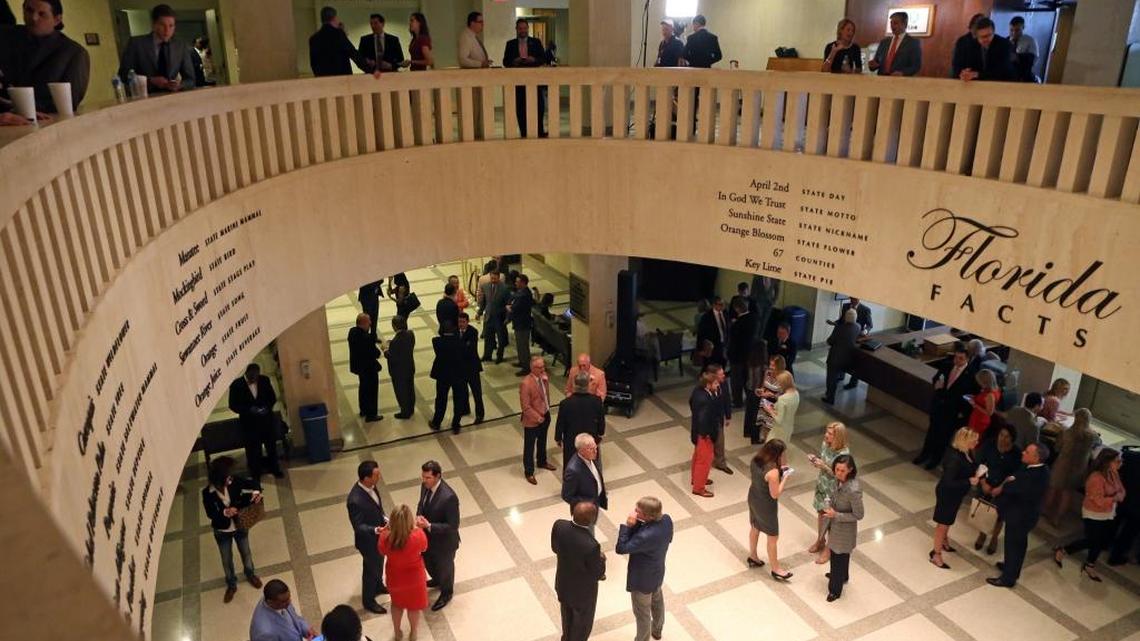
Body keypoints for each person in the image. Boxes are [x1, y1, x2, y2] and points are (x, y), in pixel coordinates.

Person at [0, 0, 89, 115]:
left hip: (45, 123)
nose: (33, 18)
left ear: (57, 20)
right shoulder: (5, 37)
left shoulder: (74, 53)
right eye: (29, 10)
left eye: (42, 14)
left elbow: (69, 103)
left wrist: (21, 106)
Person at [987, 443, 1050, 588]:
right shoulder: (1033, 468)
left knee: (1013, 545)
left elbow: (1017, 487)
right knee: (1018, 545)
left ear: (1036, 458)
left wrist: (1004, 486)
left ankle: (1008, 578)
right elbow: (1014, 477)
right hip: (1020, 514)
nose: (1023, 453)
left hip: (1021, 516)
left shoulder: (1037, 475)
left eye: (1027, 452)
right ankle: (1012, 568)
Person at [202, 456, 262, 603]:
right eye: (227, 478)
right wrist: (224, 513)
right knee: (226, 559)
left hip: (240, 525)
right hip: (222, 531)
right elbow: (210, 514)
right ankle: (231, 584)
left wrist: (256, 492)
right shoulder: (207, 493)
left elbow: (253, 482)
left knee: (246, 552)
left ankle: (250, 574)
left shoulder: (234, 481)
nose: (230, 480)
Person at [615, 496, 673, 641]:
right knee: (657, 601)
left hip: (642, 579)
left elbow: (621, 548)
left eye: (637, 511)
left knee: (642, 614)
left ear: (648, 516)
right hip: (657, 571)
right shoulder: (666, 520)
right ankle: (657, 629)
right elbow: (669, 538)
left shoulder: (645, 536)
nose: (634, 512)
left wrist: (628, 526)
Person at [913, 343, 975, 469]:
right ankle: (924, 454)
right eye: (956, 357)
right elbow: (936, 378)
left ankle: (935, 459)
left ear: (967, 359)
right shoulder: (947, 366)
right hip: (938, 406)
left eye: (961, 358)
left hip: (952, 412)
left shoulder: (970, 376)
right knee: (931, 433)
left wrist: (961, 414)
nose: (957, 360)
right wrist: (937, 383)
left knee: (943, 438)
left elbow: (968, 397)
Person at [551, 503, 606, 641]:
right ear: (592, 520)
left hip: (563, 585)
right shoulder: (591, 545)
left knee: (567, 618)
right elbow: (597, 573)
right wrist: (602, 559)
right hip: (583, 594)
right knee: (582, 626)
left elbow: (555, 547)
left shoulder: (559, 525)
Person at [930, 428, 979, 570]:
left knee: (949, 519)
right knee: (943, 524)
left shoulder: (967, 452)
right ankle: (936, 553)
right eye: (974, 440)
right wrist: (969, 481)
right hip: (948, 494)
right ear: (965, 441)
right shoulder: (954, 458)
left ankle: (944, 541)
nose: (977, 442)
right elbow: (948, 482)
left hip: (957, 494)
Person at [118, 4, 195, 93]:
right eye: (162, 25)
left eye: (171, 26)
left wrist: (180, 85)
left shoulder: (180, 46)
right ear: (154, 24)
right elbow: (123, 75)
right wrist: (149, 80)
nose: (167, 30)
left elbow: (190, 80)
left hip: (172, 97)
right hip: (144, 98)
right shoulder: (136, 44)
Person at [415, 460, 460, 611]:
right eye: (423, 477)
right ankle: (437, 579)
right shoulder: (425, 486)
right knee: (430, 563)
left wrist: (429, 526)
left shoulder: (449, 497)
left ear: (438, 476)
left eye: (428, 478)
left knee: (445, 568)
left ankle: (446, 592)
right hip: (428, 539)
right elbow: (421, 503)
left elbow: (453, 525)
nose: (424, 480)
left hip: (444, 543)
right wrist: (419, 515)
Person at [379, 504, 428, 641]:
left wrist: (387, 529)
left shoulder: (385, 537)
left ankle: (397, 631)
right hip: (414, 579)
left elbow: (382, 551)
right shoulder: (418, 535)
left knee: (396, 604)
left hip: (395, 578)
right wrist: (417, 527)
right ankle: (413, 633)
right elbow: (424, 548)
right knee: (414, 607)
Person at [747, 439, 794, 580]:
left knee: (755, 527)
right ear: (777, 454)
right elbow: (775, 494)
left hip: (753, 496)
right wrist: (785, 477)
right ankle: (776, 569)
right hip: (766, 505)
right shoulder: (773, 472)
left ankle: (753, 556)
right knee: (773, 537)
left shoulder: (756, 460)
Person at [347, 460, 388, 614]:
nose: (379, 477)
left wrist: (384, 519)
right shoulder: (355, 500)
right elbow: (359, 527)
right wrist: (376, 529)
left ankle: (379, 585)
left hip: (379, 537)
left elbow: (377, 508)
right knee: (370, 570)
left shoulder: (372, 486)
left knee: (379, 564)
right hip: (368, 542)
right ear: (366, 478)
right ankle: (369, 600)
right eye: (376, 475)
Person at [1045, 408, 1099, 523]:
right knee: (1067, 493)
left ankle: (1045, 511)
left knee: (1053, 489)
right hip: (1079, 469)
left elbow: (1057, 448)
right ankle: (1057, 518)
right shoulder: (1092, 436)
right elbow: (1097, 445)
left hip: (1062, 465)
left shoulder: (1066, 432)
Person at [227, 364, 282, 478]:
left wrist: (266, 408)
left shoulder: (264, 380)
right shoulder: (236, 385)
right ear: (247, 373)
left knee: (271, 446)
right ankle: (255, 472)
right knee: (253, 450)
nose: (254, 379)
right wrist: (249, 410)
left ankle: (275, 468)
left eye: (256, 376)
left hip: (266, 421)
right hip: (249, 424)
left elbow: (272, 398)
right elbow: (233, 405)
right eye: (252, 376)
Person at [975, 425, 1022, 555]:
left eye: (1006, 437)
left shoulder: (1017, 453)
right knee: (984, 511)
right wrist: (983, 482)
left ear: (1012, 439)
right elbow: (981, 463)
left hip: (1003, 488)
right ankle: (982, 534)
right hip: (987, 484)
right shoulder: (989, 445)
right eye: (1001, 435)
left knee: (999, 515)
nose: (1002, 439)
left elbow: (1014, 475)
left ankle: (994, 539)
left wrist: (1001, 487)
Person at [808, 422, 850, 563]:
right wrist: (817, 462)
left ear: (838, 436)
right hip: (822, 485)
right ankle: (820, 540)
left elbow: (841, 475)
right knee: (821, 514)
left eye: (830, 434)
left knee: (831, 519)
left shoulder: (844, 454)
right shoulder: (825, 445)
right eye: (826, 432)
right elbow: (823, 461)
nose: (826, 435)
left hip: (835, 489)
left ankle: (828, 549)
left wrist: (824, 466)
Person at [824, 454, 863, 601]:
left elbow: (859, 515)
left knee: (837, 556)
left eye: (842, 470)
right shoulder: (839, 480)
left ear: (850, 470)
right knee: (842, 555)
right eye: (837, 469)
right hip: (836, 526)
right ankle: (842, 576)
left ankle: (835, 589)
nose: (838, 473)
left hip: (844, 530)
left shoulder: (853, 490)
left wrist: (837, 515)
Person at [503, 18, 547, 137]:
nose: (523, 30)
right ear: (517, 29)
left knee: (538, 107)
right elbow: (505, 62)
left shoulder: (536, 42)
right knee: (521, 108)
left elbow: (543, 58)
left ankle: (539, 131)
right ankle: (524, 132)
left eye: (524, 28)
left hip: (534, 80)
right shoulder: (510, 44)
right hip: (518, 82)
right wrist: (514, 61)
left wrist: (534, 60)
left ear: (528, 28)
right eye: (520, 28)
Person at [555, 372, 606, 469]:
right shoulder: (596, 401)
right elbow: (601, 421)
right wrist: (600, 434)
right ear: (587, 385)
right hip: (590, 439)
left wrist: (558, 438)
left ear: (574, 385)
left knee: (571, 464)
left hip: (571, 441)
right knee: (591, 464)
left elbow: (560, 423)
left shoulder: (565, 404)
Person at [520, 356, 557, 484]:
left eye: (543, 366)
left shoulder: (544, 377)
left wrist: (546, 412)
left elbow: (544, 396)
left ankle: (542, 461)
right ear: (532, 368)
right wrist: (537, 417)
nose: (543, 369)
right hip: (533, 420)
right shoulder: (526, 384)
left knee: (542, 440)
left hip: (545, 415)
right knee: (529, 446)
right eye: (539, 367)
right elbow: (526, 407)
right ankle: (529, 471)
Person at [429, 320, 467, 433]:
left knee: (441, 399)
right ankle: (456, 424)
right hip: (457, 374)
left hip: (443, 375)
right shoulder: (460, 342)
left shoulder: (437, 342)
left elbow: (436, 340)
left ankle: (437, 422)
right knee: (458, 399)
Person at [308, 6, 366, 77]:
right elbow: (353, 54)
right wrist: (369, 69)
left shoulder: (313, 39)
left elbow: (313, 64)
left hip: (323, 81)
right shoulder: (339, 34)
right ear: (334, 18)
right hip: (342, 79)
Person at [249, 580, 316, 641]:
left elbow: (294, 618)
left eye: (289, 597)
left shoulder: (279, 599)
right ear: (270, 602)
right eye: (284, 601)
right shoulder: (264, 633)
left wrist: (306, 629)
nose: (289, 602)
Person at [689, 369, 720, 498]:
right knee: (704, 461)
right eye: (716, 383)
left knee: (697, 457)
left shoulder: (697, 391)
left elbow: (691, 403)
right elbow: (704, 418)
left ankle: (696, 479)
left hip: (696, 431)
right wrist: (706, 434)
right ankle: (699, 488)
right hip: (704, 435)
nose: (718, 385)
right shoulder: (706, 400)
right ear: (708, 384)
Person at [563, 433, 608, 519]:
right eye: (591, 449)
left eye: (596, 447)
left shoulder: (591, 457)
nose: (596, 451)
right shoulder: (573, 470)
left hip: (595, 503)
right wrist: (586, 505)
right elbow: (567, 495)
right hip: (583, 512)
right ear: (581, 450)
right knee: (584, 531)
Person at [348, 313, 383, 423]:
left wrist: (372, 339)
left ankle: (363, 409)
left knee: (363, 388)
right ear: (363, 323)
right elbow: (376, 353)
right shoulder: (366, 339)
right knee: (371, 391)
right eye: (369, 322)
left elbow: (363, 341)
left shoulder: (352, 332)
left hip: (359, 367)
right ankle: (371, 414)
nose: (371, 323)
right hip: (369, 368)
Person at [957, 18, 1015, 82]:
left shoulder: (1004, 44)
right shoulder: (972, 45)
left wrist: (977, 74)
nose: (986, 39)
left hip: (1003, 83)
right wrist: (966, 73)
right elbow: (969, 66)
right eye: (982, 37)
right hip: (979, 84)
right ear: (976, 36)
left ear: (994, 32)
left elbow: (1002, 70)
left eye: (989, 35)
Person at [822, 308, 859, 404]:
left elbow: (830, 341)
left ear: (846, 318)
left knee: (831, 378)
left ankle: (830, 398)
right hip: (849, 359)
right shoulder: (858, 327)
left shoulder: (839, 328)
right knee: (836, 376)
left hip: (835, 358)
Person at [868, 11, 922, 76]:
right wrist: (873, 65)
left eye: (895, 23)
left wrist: (903, 73)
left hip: (900, 82)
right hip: (881, 80)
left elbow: (916, 66)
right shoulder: (884, 42)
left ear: (905, 24)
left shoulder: (913, 43)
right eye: (891, 23)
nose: (892, 26)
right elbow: (876, 63)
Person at [384, 315, 416, 419]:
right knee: (410, 388)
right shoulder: (410, 334)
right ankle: (411, 408)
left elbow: (392, 357)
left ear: (394, 326)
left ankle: (405, 412)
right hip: (409, 367)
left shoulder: (395, 342)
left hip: (398, 371)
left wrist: (385, 350)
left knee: (401, 391)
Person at [727, 298, 757, 408]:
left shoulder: (737, 325)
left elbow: (733, 343)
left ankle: (737, 401)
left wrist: (729, 355)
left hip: (737, 357)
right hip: (749, 355)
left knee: (736, 380)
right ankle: (749, 399)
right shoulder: (754, 319)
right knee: (747, 379)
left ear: (737, 309)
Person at [457, 313, 484, 424]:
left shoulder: (473, 332)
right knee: (463, 390)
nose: (461, 324)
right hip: (461, 368)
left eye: (463, 322)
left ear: (467, 322)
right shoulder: (456, 332)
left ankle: (480, 414)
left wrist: (459, 348)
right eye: (459, 322)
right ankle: (465, 409)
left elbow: (470, 349)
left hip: (472, 368)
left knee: (476, 392)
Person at [477, 270, 510, 363]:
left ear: (499, 277)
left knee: (501, 339)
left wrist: (508, 318)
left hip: (500, 318)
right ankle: (487, 355)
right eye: (492, 278)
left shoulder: (505, 288)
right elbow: (484, 302)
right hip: (488, 317)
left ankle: (500, 356)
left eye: (495, 278)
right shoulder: (485, 286)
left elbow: (508, 304)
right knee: (488, 337)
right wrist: (479, 312)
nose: (493, 280)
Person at [741, 341, 770, 444]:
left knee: (749, 412)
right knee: (757, 415)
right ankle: (755, 437)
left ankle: (747, 431)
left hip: (749, 389)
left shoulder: (750, 361)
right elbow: (764, 381)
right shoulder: (763, 365)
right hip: (758, 391)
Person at [508, 274, 535, 375]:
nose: (515, 283)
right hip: (520, 323)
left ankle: (526, 367)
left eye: (517, 281)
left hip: (523, 324)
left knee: (523, 346)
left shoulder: (524, 295)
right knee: (519, 345)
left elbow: (514, 308)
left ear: (523, 283)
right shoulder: (521, 292)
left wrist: (509, 308)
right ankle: (521, 362)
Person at [763, 370, 799, 444]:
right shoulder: (796, 394)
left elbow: (779, 420)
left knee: (771, 447)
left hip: (779, 430)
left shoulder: (782, 399)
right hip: (789, 426)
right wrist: (774, 398)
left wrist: (769, 410)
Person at [950, 13, 987, 79]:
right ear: (972, 25)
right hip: (962, 76)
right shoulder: (962, 41)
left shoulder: (986, 41)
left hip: (981, 77)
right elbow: (956, 62)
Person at [966, 369, 1000, 436]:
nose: (979, 383)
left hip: (979, 420)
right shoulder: (995, 390)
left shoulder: (990, 395)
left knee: (972, 437)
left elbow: (989, 413)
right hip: (977, 416)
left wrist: (975, 405)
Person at [697, 296, 729, 366]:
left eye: (723, 304)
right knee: (711, 366)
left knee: (723, 364)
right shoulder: (706, 317)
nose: (723, 306)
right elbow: (701, 333)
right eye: (720, 304)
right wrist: (700, 348)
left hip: (724, 344)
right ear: (714, 305)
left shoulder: (726, 313)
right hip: (713, 345)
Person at [1008, 16, 1038, 82]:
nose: (1014, 33)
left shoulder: (1030, 41)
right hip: (1008, 76)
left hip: (1024, 76)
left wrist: (1018, 58)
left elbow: (1033, 60)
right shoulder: (1006, 41)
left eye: (1017, 30)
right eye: (1011, 30)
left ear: (1023, 27)